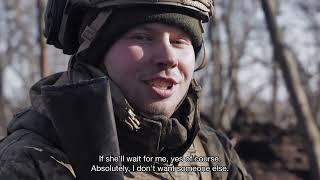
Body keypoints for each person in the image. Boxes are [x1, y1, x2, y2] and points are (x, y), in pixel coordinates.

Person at [0, 0, 251, 179]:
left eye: (179, 41)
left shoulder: (213, 154)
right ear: (95, 53)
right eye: (142, 37)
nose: (168, 57)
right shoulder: (26, 163)